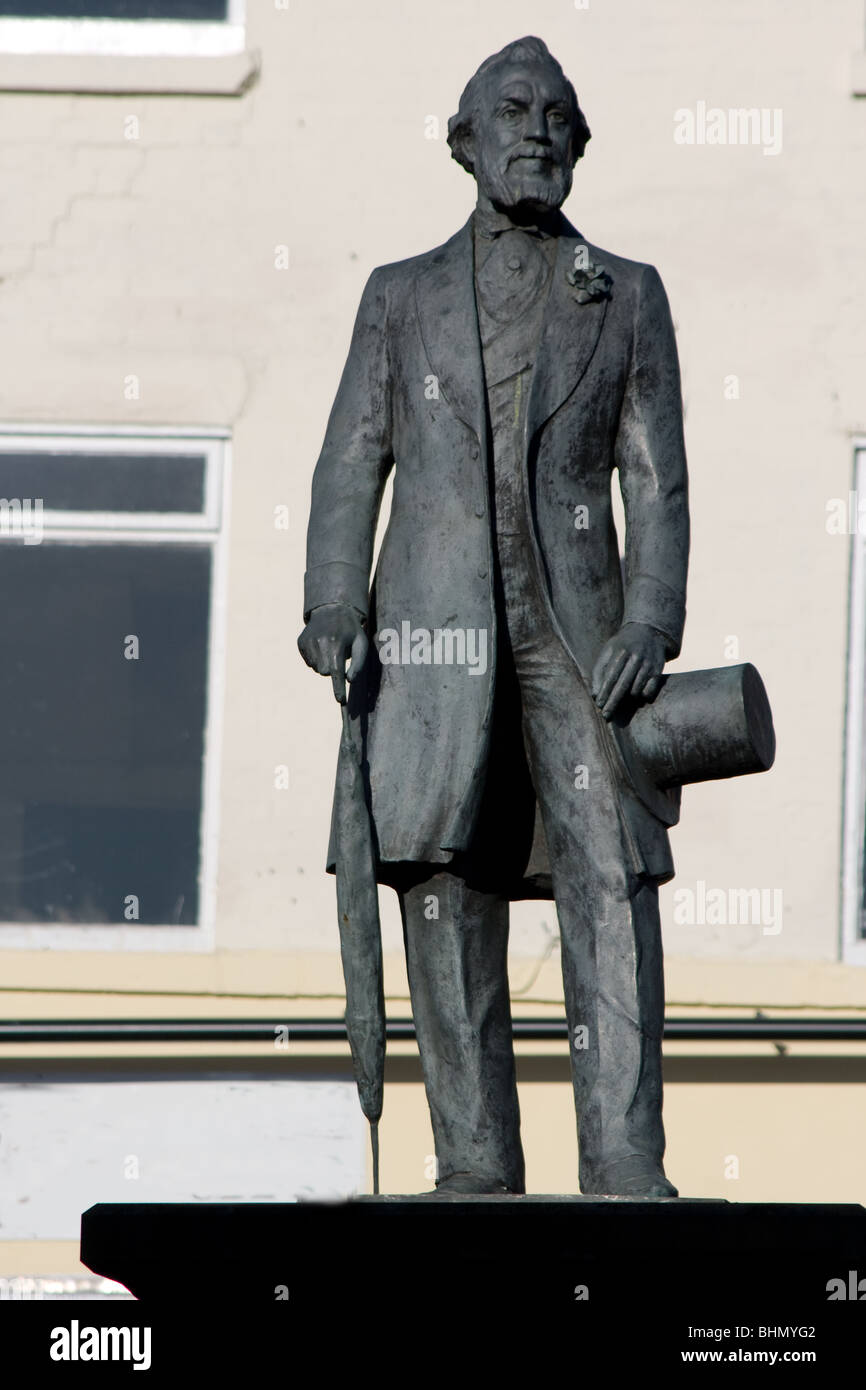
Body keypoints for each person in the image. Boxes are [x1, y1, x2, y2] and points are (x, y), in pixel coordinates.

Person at [299, 36, 689, 1197]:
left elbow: (652, 477)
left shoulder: (626, 293)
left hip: (579, 631)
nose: (533, 128)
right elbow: (348, 462)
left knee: (607, 876)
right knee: (444, 872)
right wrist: (333, 601)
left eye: (555, 114)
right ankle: (471, 1158)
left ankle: (622, 1152)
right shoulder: (397, 296)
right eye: (509, 110)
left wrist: (651, 621)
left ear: (578, 145)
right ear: (462, 141)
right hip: (431, 628)